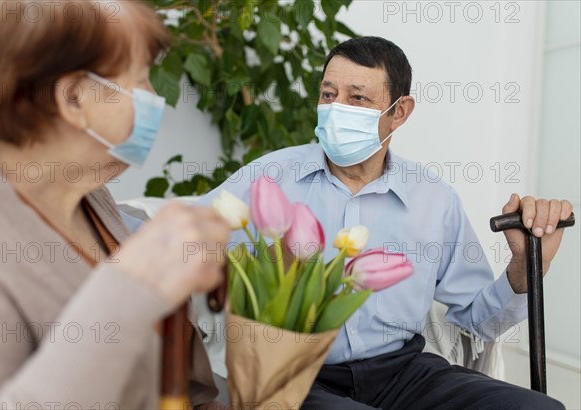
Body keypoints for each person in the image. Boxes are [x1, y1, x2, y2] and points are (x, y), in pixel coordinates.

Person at [197, 36, 573, 409]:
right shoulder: (270, 176)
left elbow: (478, 320)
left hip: (404, 371)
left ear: (400, 111)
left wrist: (525, 266)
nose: (335, 108)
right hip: (296, 375)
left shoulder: (434, 199)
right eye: (329, 95)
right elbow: (183, 233)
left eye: (357, 98)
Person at [0, 1, 229, 408]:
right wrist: (130, 287)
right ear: (75, 98)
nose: (156, 100)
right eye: (142, 80)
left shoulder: (91, 198)